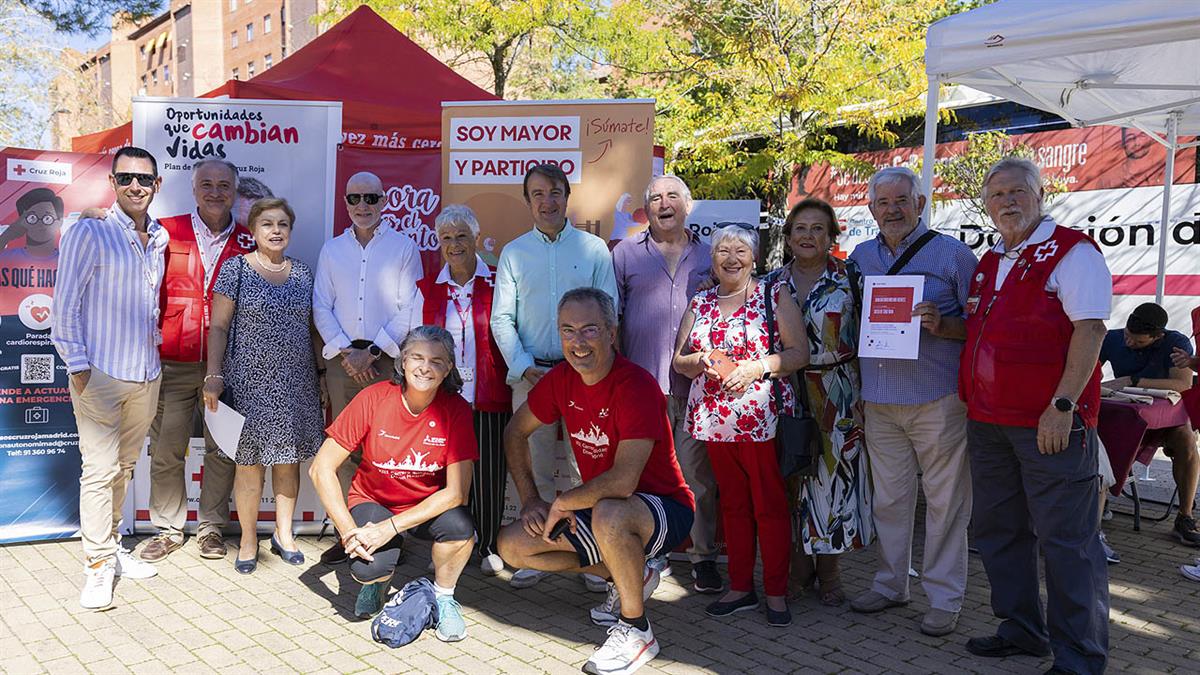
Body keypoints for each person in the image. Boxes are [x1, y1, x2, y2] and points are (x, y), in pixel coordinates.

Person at [960, 157, 1111, 673]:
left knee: (1067, 542)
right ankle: (1023, 629)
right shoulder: (990, 260)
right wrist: (940, 327)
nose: (1007, 201)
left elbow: (1090, 332)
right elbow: (989, 333)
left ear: (1040, 194)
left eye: (1018, 191)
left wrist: (1063, 405)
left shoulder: (1072, 252)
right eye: (996, 194)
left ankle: (1081, 658)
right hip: (988, 421)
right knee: (1000, 532)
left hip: (1050, 424)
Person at [498, 288, 695, 675]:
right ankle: (629, 576)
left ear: (611, 332)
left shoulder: (635, 385)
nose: (577, 342)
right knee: (512, 546)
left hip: (664, 507)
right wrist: (531, 500)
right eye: (567, 331)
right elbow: (514, 433)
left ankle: (637, 629)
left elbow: (623, 482)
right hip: (604, 507)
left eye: (589, 330)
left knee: (609, 512)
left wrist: (563, 501)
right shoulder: (560, 380)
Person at [846, 166, 977, 638]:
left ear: (921, 204)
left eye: (902, 200)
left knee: (946, 503)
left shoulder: (954, 255)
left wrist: (944, 324)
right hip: (879, 398)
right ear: (871, 209)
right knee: (891, 500)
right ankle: (890, 584)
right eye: (883, 203)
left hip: (937, 398)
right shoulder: (860, 257)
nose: (893, 210)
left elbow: (981, 325)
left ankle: (944, 598)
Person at [673, 224, 810, 626]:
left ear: (754, 258)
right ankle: (740, 587)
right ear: (712, 259)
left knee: (769, 504)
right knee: (731, 503)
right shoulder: (701, 301)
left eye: (740, 251)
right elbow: (679, 361)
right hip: (715, 421)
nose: (731, 258)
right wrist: (696, 362)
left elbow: (798, 352)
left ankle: (776, 591)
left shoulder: (773, 293)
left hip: (760, 420)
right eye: (722, 251)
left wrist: (756, 368)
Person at [491, 163, 619, 591]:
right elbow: (502, 319)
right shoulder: (513, 253)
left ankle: (594, 555)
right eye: (538, 194)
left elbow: (609, 311)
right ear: (528, 202)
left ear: (567, 196)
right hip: (531, 375)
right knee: (535, 469)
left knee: (589, 469)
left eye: (555, 192)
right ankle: (537, 550)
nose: (547, 201)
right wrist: (523, 364)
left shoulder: (594, 250)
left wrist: (589, 364)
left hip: (586, 375)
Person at [50, 146, 167, 609]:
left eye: (144, 179)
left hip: (146, 375)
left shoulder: (157, 237)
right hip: (99, 374)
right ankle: (97, 567)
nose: (135, 186)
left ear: (156, 185)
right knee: (98, 473)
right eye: (126, 179)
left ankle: (114, 549)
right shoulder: (89, 231)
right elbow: (64, 308)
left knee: (123, 469)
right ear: (113, 183)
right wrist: (79, 368)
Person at [310, 325, 477, 639]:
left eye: (437, 361)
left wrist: (391, 528)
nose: (425, 367)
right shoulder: (373, 397)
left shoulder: (457, 410)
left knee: (460, 529)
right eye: (417, 358)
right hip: (375, 501)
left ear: (448, 369)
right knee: (365, 569)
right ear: (402, 362)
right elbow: (321, 469)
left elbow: (457, 493)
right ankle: (377, 584)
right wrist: (349, 533)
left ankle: (444, 597)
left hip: (424, 506)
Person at [140, 158, 256, 563]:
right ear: (193, 189)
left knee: (221, 449)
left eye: (224, 185)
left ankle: (210, 528)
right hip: (173, 359)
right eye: (206, 184)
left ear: (234, 191)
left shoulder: (248, 242)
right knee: (168, 447)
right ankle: (169, 529)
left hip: (226, 365)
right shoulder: (165, 231)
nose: (215, 191)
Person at [612, 175, 723, 593]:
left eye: (672, 196)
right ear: (647, 208)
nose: (664, 203)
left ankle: (703, 557)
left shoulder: (712, 256)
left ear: (688, 206)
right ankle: (645, 553)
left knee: (698, 476)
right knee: (641, 476)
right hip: (642, 387)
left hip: (697, 389)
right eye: (655, 197)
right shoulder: (624, 254)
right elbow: (613, 320)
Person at [202, 198, 325, 573]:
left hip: (295, 381)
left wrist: (320, 374)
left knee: (288, 462)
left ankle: (283, 534)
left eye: (283, 224)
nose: (275, 230)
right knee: (249, 465)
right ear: (253, 231)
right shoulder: (235, 269)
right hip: (247, 382)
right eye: (267, 223)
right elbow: (219, 327)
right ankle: (249, 539)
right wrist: (213, 374)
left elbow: (313, 328)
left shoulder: (303, 273)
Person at [765, 198, 873, 606]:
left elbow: (872, 335)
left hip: (839, 391)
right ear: (789, 236)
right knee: (792, 479)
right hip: (787, 392)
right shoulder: (771, 283)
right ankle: (796, 570)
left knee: (834, 483)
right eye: (800, 229)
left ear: (831, 236)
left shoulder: (852, 280)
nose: (808, 236)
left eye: (817, 229)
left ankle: (829, 574)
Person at [314, 171, 423, 565]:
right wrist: (347, 352)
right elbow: (321, 306)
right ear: (345, 203)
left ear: (384, 201)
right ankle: (351, 534)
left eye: (371, 199)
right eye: (355, 198)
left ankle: (390, 535)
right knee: (345, 452)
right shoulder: (331, 251)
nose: (363, 206)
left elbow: (409, 307)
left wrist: (373, 351)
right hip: (345, 363)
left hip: (388, 361)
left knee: (388, 450)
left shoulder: (404, 247)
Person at [411, 205, 513, 576]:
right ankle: (451, 542)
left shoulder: (498, 281)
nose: (454, 245)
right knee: (444, 477)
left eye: (461, 237)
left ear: (475, 238)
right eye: (446, 238)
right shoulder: (426, 289)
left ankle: (486, 544)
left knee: (488, 473)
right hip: (444, 399)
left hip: (488, 392)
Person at [1100, 303, 1198, 547]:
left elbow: (1183, 384)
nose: (1130, 344)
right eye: (1127, 338)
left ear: (1158, 337)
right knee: (1100, 434)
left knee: (1186, 440)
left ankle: (1185, 516)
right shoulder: (1111, 339)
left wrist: (1132, 380)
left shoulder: (1176, 343)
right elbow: (1089, 372)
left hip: (1166, 421)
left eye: (1139, 342)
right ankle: (1098, 500)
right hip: (1125, 415)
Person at [0, 187, 63, 260]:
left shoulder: (67, 260)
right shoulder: (6, 257)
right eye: (32, 218)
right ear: (21, 221)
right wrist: (7, 235)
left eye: (47, 218)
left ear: (59, 221)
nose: (40, 224)